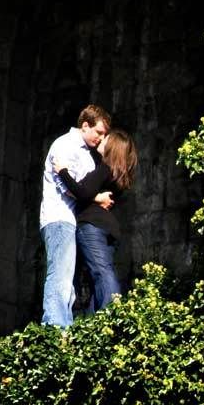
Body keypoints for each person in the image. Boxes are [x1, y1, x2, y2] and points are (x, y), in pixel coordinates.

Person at [39, 105, 110, 327]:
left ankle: (64, 327)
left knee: (69, 281)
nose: (101, 138)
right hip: (59, 217)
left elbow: (85, 186)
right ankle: (54, 327)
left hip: (73, 221)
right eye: (99, 133)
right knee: (60, 275)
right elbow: (67, 187)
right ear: (85, 125)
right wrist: (97, 198)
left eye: (104, 135)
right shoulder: (65, 144)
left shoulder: (88, 155)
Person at [55, 126, 137, 312]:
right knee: (97, 277)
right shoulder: (118, 175)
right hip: (107, 228)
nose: (101, 140)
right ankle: (97, 326)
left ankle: (111, 314)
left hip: (92, 225)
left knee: (101, 273)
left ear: (112, 146)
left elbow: (83, 192)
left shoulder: (105, 168)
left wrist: (62, 172)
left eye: (106, 138)